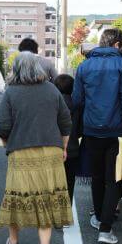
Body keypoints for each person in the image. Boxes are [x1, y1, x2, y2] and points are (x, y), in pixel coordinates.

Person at [0, 52, 73, 244]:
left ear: (17, 68)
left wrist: (6, 142)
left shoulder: (11, 92)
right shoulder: (51, 89)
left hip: (21, 152)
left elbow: (1, 126)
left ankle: (13, 241)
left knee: (17, 196)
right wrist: (64, 146)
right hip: (51, 152)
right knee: (46, 198)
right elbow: (66, 122)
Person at [72, 28, 122, 244]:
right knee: (114, 179)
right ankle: (105, 230)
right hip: (117, 130)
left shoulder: (84, 65)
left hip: (91, 129)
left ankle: (99, 218)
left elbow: (77, 100)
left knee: (97, 177)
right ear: (117, 44)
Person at [53, 74, 81, 203]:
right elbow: (81, 129)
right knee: (70, 180)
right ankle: (66, 210)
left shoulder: (51, 105)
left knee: (53, 180)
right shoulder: (78, 105)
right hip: (73, 149)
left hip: (53, 148)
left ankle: (54, 208)